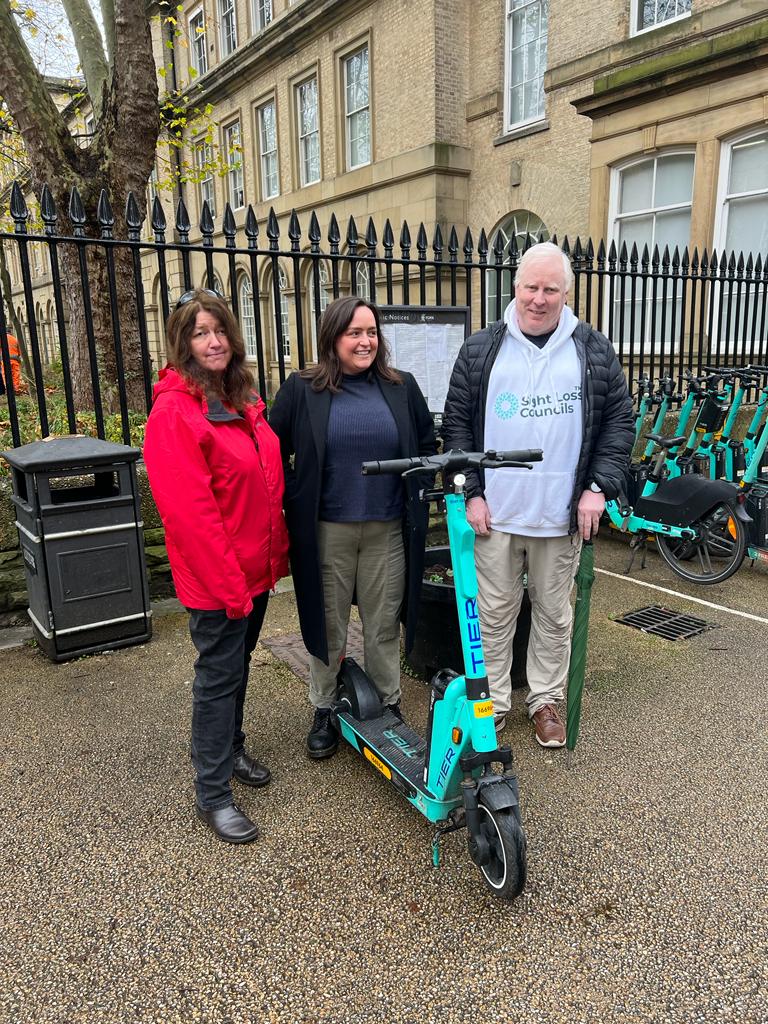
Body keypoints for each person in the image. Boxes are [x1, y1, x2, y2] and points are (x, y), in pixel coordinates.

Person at [442, 242, 633, 747]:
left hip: (560, 516)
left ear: (566, 293)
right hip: (497, 515)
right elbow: (458, 425)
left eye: (551, 289)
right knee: (493, 613)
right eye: (532, 286)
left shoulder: (591, 350)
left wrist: (598, 488)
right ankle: (494, 702)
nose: (539, 298)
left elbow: (618, 423)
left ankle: (545, 699)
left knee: (553, 614)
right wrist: (472, 494)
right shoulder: (483, 349)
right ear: (516, 286)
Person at [143, 288, 289, 844]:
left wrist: (266, 566)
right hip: (218, 582)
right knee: (217, 677)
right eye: (200, 332)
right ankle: (212, 791)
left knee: (237, 667)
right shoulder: (174, 413)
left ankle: (232, 750)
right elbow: (191, 516)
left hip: (251, 573)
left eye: (219, 329)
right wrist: (232, 587)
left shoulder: (239, 395)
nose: (213, 341)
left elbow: (261, 480)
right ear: (182, 343)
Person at [268, 295, 436, 759]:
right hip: (327, 531)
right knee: (329, 625)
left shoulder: (402, 386)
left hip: (387, 529)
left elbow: (426, 444)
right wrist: (291, 499)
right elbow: (270, 448)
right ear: (333, 338)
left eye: (371, 332)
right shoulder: (303, 388)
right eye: (354, 333)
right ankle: (324, 706)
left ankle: (388, 702)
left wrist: (416, 491)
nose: (365, 341)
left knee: (383, 624)